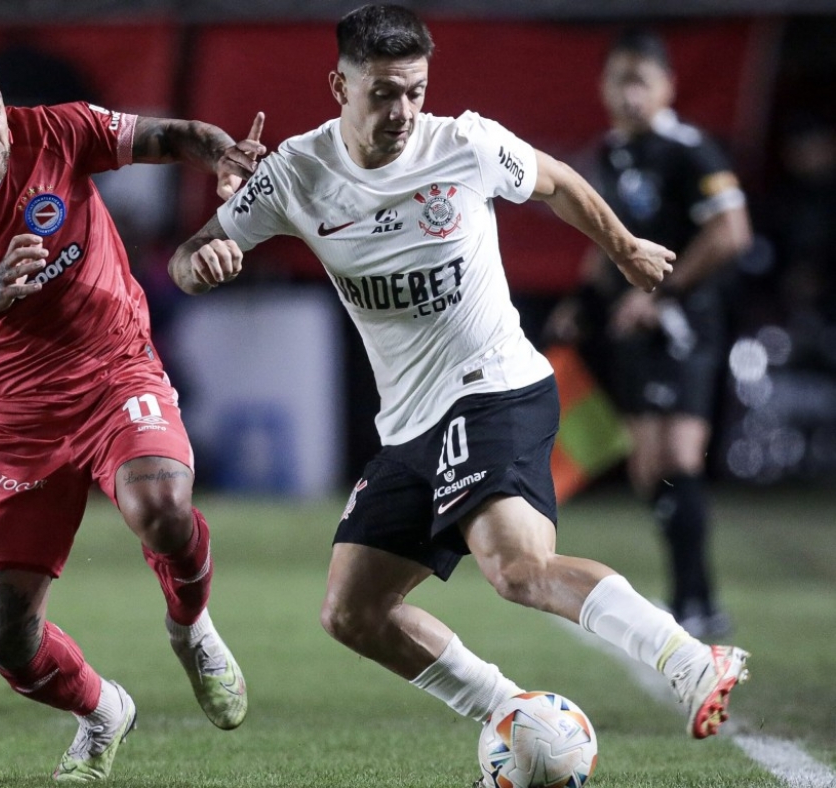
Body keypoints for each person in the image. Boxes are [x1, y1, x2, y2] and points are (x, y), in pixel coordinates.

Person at [168, 2, 750, 774]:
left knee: (516, 567)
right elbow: (192, 253)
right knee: (352, 611)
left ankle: (689, 660)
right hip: (409, 423)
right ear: (337, 84)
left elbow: (553, 180)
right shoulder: (294, 175)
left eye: (414, 90)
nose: (403, 110)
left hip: (495, 388)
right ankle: (507, 708)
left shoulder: (464, 143)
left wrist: (623, 248)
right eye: (383, 93)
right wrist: (202, 266)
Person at [0, 36, 264, 782]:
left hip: (114, 371)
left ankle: (192, 630)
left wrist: (222, 158)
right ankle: (102, 710)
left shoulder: (55, 130)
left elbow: (171, 135)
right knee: (3, 636)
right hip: (15, 423)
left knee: (161, 506)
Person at [545, 29, 754, 638]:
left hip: (683, 325)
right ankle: (690, 593)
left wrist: (663, 295)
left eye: (642, 80)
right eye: (619, 80)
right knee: (647, 467)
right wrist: (582, 302)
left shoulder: (691, 150)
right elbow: (606, 239)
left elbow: (731, 232)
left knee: (676, 455)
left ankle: (697, 599)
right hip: (632, 324)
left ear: (667, 86)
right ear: (603, 87)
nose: (629, 93)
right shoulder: (610, 154)